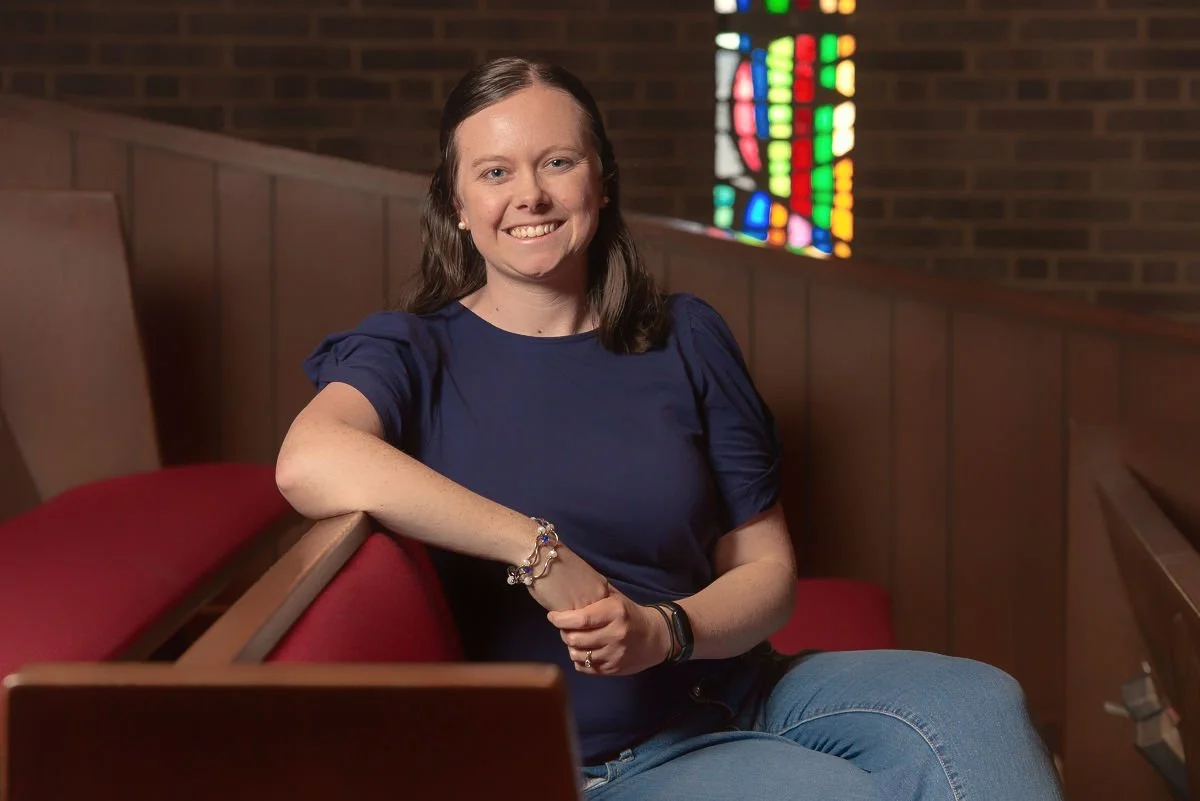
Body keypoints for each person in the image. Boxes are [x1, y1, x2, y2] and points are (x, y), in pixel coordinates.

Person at [275, 56, 1065, 801]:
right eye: (494, 172)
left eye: (558, 162)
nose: (531, 195)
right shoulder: (413, 349)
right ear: (456, 203)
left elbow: (767, 573)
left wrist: (665, 630)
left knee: (984, 700)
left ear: (602, 180)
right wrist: (535, 547)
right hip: (595, 758)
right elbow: (309, 459)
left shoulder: (684, 335)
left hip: (737, 686)